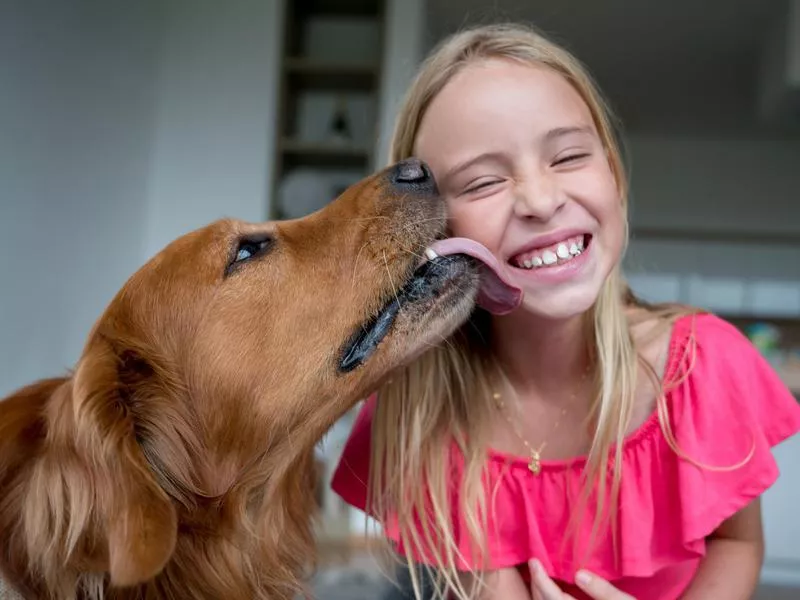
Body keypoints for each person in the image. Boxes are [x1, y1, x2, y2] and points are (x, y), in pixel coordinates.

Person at [330, 22, 800, 600]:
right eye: (481, 183)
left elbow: (737, 543)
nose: (540, 200)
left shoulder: (702, 367)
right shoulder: (421, 407)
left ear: (615, 179)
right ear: (436, 232)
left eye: (570, 155)